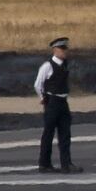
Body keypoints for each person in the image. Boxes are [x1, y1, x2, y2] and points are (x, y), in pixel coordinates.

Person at [34, 37, 81, 174]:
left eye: (65, 48)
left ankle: (66, 164)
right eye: (62, 49)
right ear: (55, 50)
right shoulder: (47, 66)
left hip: (63, 102)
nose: (64, 51)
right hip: (52, 102)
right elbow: (38, 84)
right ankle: (44, 164)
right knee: (48, 133)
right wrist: (43, 98)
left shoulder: (65, 64)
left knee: (65, 134)